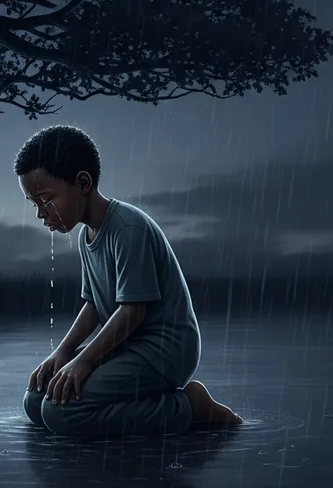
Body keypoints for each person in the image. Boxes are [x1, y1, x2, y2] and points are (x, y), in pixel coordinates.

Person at [15, 125, 242, 437]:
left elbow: (132, 311)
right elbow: (93, 304)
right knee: (36, 399)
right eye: (34, 203)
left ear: (82, 183)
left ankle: (191, 408)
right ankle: (142, 399)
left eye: (46, 200)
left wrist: (84, 361)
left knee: (62, 414)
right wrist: (63, 353)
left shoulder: (127, 228)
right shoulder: (86, 236)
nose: (41, 214)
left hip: (165, 349)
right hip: (127, 344)